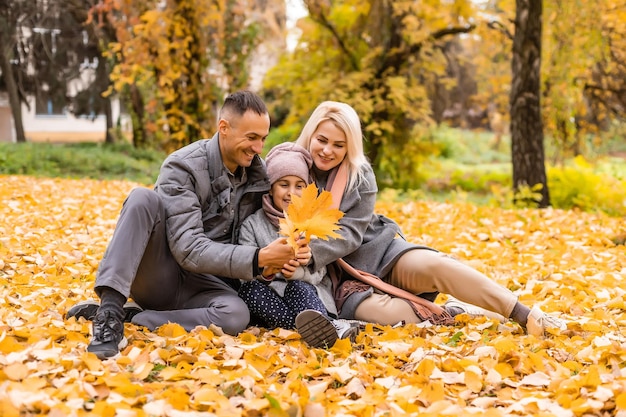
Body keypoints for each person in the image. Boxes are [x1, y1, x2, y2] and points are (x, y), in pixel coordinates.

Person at [292, 101, 567, 337]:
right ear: (311, 135)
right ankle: (454, 313)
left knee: (437, 266)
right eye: (322, 140)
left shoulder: (359, 175)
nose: (328, 150)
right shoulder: (291, 169)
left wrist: (310, 251)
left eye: (339, 145)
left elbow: (352, 235)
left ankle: (524, 314)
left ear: (349, 146)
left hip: (379, 254)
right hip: (341, 282)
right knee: (385, 316)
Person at [65, 91, 307, 359]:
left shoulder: (257, 178)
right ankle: (109, 314)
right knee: (142, 199)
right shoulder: (182, 166)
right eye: (251, 138)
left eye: (263, 139)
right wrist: (257, 258)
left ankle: (139, 319)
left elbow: (248, 246)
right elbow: (188, 248)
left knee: (237, 315)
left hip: (206, 288)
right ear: (224, 128)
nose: (258, 148)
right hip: (163, 272)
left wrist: (271, 264)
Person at [237, 142, 359, 346]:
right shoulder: (253, 224)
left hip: (308, 295)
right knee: (249, 292)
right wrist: (266, 271)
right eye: (283, 184)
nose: (291, 193)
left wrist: (299, 272)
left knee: (298, 288)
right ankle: (316, 331)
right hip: (271, 299)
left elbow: (320, 273)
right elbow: (243, 267)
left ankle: (321, 324)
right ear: (270, 187)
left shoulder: (311, 224)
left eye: (299, 186)